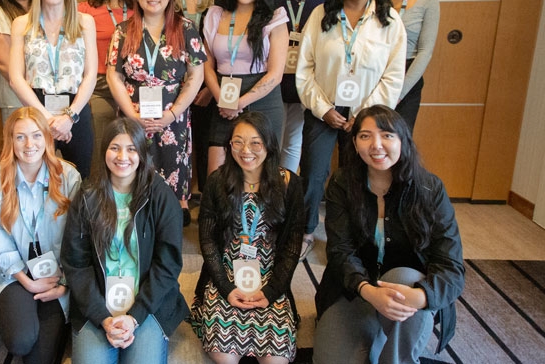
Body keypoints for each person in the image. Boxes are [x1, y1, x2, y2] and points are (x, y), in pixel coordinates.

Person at [313, 105, 464, 364]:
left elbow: (451, 267)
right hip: (356, 289)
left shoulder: (430, 188)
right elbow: (340, 251)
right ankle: (375, 331)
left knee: (405, 279)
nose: (376, 145)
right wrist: (370, 292)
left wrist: (421, 296)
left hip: (405, 292)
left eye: (387, 135)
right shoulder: (341, 183)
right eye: (365, 136)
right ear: (354, 143)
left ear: (403, 140)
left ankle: (393, 353)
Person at [296, 0, 406, 261]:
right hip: (324, 110)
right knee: (314, 175)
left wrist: (364, 117)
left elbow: (393, 76)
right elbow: (305, 69)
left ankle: (351, 237)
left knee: (357, 177)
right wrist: (323, 109)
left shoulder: (389, 20)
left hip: (367, 117)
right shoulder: (322, 15)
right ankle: (306, 232)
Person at [61, 118, 187, 364]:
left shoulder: (161, 196)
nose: (122, 156)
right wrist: (103, 318)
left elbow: (168, 264)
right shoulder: (87, 196)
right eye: (115, 148)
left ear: (142, 153)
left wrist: (135, 316)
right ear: (104, 151)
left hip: (148, 302)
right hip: (97, 301)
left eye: (131, 149)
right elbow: (76, 263)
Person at [190, 111, 304, 364]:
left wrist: (272, 291)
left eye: (255, 142)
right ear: (229, 145)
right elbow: (207, 240)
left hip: (270, 276)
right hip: (225, 274)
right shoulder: (218, 181)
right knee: (224, 355)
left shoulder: (288, 183)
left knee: (276, 359)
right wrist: (226, 288)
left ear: (269, 144)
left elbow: (292, 245)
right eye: (237, 142)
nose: (246, 150)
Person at [106, 0, 206, 226]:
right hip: (132, 117)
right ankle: (135, 225)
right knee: (133, 168)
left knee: (172, 170)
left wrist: (172, 113)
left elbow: (196, 76)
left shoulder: (186, 28)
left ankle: (169, 224)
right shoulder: (123, 30)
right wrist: (132, 115)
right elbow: (114, 76)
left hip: (172, 116)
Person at [0, 106, 81, 361]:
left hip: (58, 276)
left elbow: (79, 238)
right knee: (21, 341)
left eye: (36, 135)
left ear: (47, 138)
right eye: (20, 136)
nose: (29, 144)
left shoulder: (68, 176)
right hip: (15, 276)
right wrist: (27, 281)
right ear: (10, 140)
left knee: (40, 359)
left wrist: (66, 284)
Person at [9, 0, 97, 178]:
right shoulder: (22, 24)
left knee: (79, 180)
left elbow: (90, 75)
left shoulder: (85, 23)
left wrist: (68, 118)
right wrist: (46, 120)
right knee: (34, 177)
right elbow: (16, 78)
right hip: (36, 108)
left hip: (76, 111)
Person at [203, 0, 288, 175]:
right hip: (223, 99)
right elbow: (206, 64)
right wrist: (223, 100)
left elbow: (276, 74)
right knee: (217, 174)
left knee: (260, 174)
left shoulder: (275, 17)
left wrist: (239, 103)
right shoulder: (215, 14)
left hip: (263, 100)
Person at [78, 0, 135, 175]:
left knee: (132, 147)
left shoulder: (139, 9)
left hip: (132, 87)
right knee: (101, 147)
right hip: (99, 87)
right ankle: (99, 199)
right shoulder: (84, 10)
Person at [275, 0, 328, 173]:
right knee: (272, 137)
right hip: (273, 78)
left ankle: (287, 187)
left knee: (294, 140)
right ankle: (269, 189)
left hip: (305, 79)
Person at [173, 0, 217, 199]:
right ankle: (181, 195)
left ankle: (204, 194)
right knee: (177, 140)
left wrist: (211, 88)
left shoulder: (217, 0)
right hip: (177, 82)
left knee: (205, 139)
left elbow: (223, 47)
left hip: (208, 83)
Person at [384, 0, 440, 133]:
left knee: (398, 141)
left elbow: (425, 51)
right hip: (373, 71)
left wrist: (399, 92)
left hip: (407, 76)